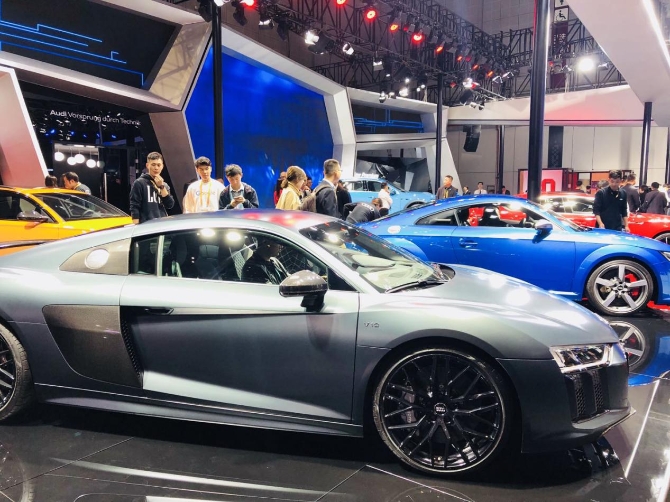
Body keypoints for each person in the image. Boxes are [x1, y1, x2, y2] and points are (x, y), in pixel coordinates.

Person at [129, 152, 175, 224]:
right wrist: (136, 225)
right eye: (153, 165)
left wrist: (161, 187)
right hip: (146, 224)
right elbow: (134, 206)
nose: (156, 168)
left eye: (158, 165)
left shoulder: (165, 185)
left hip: (162, 224)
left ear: (162, 166)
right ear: (147, 165)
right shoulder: (139, 183)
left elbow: (169, 205)